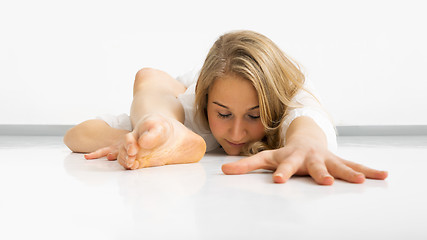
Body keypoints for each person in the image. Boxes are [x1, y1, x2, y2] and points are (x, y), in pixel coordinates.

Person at [64, 30, 388, 185]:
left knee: (153, 82)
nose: (236, 132)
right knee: (153, 84)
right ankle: (159, 126)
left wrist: (305, 146)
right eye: (223, 114)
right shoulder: (196, 105)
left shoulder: (292, 95)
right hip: (176, 95)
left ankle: (158, 126)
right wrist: (134, 137)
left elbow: (307, 125)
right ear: (206, 103)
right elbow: (75, 136)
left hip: (187, 102)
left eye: (254, 115)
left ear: (271, 107)